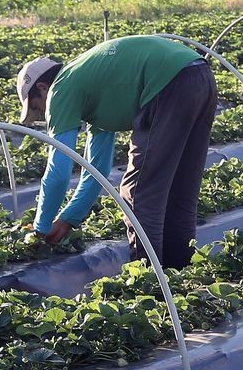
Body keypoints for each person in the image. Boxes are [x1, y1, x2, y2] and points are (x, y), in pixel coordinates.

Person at [15, 35, 218, 269]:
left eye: (36, 106)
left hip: (168, 82)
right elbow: (97, 170)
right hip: (199, 74)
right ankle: (179, 273)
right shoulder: (91, 85)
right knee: (180, 188)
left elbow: (59, 170)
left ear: (42, 88)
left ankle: (150, 281)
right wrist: (69, 217)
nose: (41, 114)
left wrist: (40, 228)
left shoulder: (62, 88)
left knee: (138, 192)